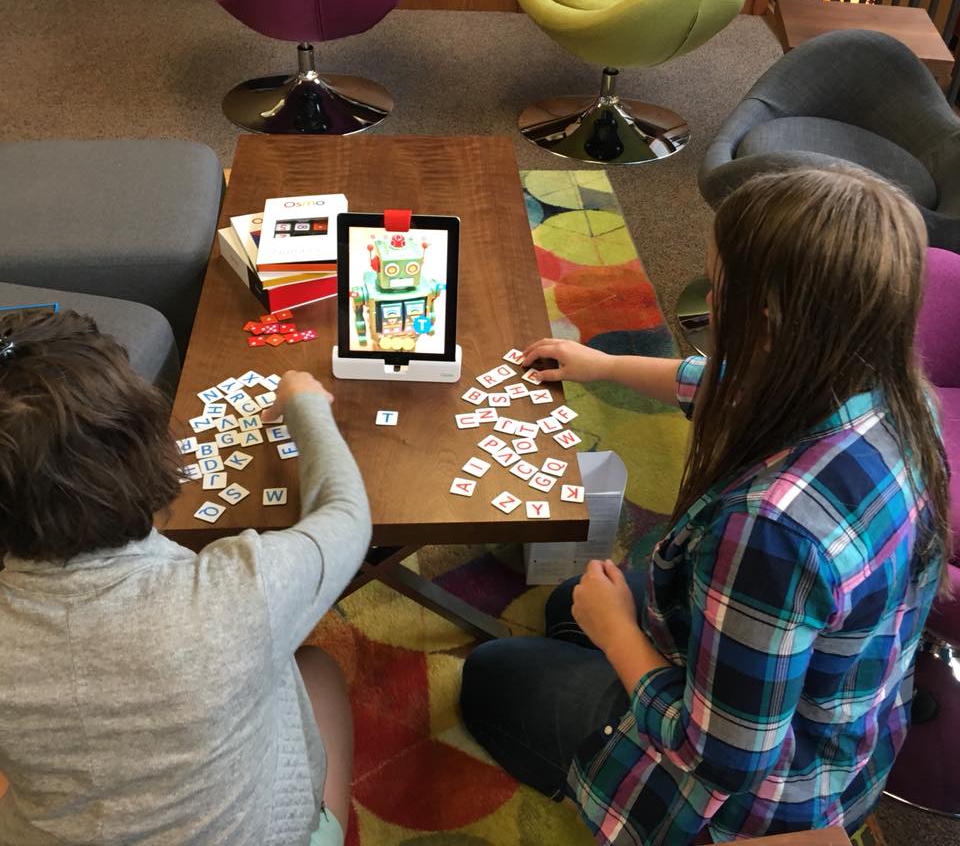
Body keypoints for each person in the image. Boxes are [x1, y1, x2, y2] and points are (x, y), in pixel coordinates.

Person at [460, 167, 951, 845]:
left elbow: (726, 758)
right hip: (840, 722)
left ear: (770, 325)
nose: (710, 310)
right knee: (564, 602)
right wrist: (600, 365)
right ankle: (604, 645)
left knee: (493, 676)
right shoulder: (892, 391)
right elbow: (728, 382)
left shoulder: (770, 531)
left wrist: (618, 636)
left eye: (718, 293)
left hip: (755, 800)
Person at [0, 310, 371, 846]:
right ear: (144, 447)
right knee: (316, 668)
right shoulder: (240, 592)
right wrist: (306, 406)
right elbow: (346, 518)